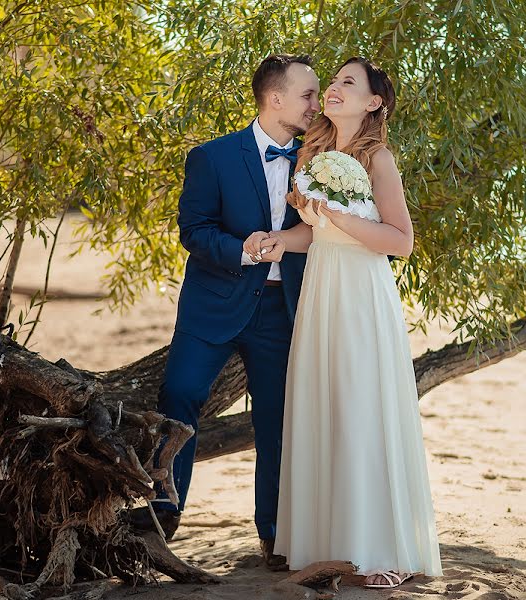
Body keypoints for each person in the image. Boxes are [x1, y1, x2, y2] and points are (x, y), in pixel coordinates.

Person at [127, 54, 320, 570]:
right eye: (307, 95)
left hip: (281, 312)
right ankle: (164, 510)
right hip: (213, 305)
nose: (315, 104)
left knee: (277, 420)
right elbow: (193, 229)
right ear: (274, 99)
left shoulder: (320, 162)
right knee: (179, 396)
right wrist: (243, 248)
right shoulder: (211, 157)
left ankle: (275, 534)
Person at [272, 56, 443, 588]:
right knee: (325, 406)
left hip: (362, 296)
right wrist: (282, 238)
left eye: (349, 83)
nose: (334, 90)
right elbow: (318, 235)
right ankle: (325, 545)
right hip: (321, 289)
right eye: (334, 82)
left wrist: (342, 214)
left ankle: (379, 549)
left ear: (373, 103)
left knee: (363, 410)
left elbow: (401, 242)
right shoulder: (316, 153)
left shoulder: (378, 160)